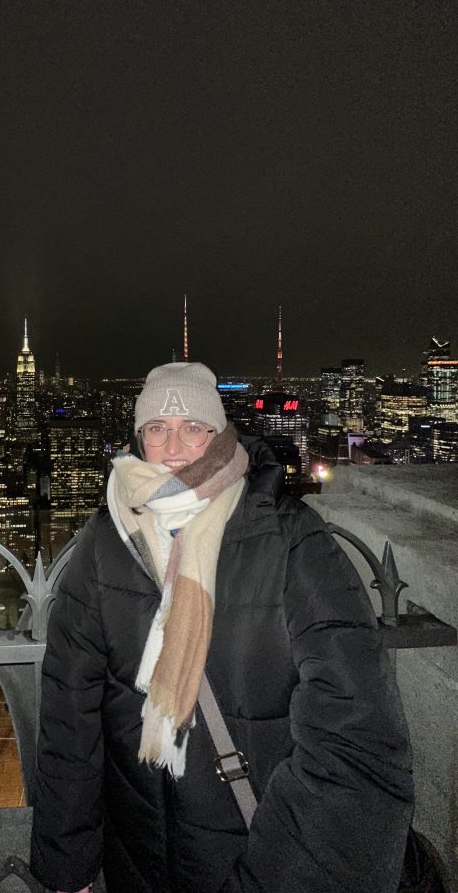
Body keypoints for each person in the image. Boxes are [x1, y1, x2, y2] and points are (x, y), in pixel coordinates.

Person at [30, 362, 414, 893]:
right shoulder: (108, 540)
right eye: (157, 428)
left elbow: (353, 730)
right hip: (137, 856)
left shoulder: (287, 537)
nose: (173, 446)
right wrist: (66, 866)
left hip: (255, 850)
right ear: (139, 439)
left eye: (192, 427)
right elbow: (70, 710)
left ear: (219, 435)